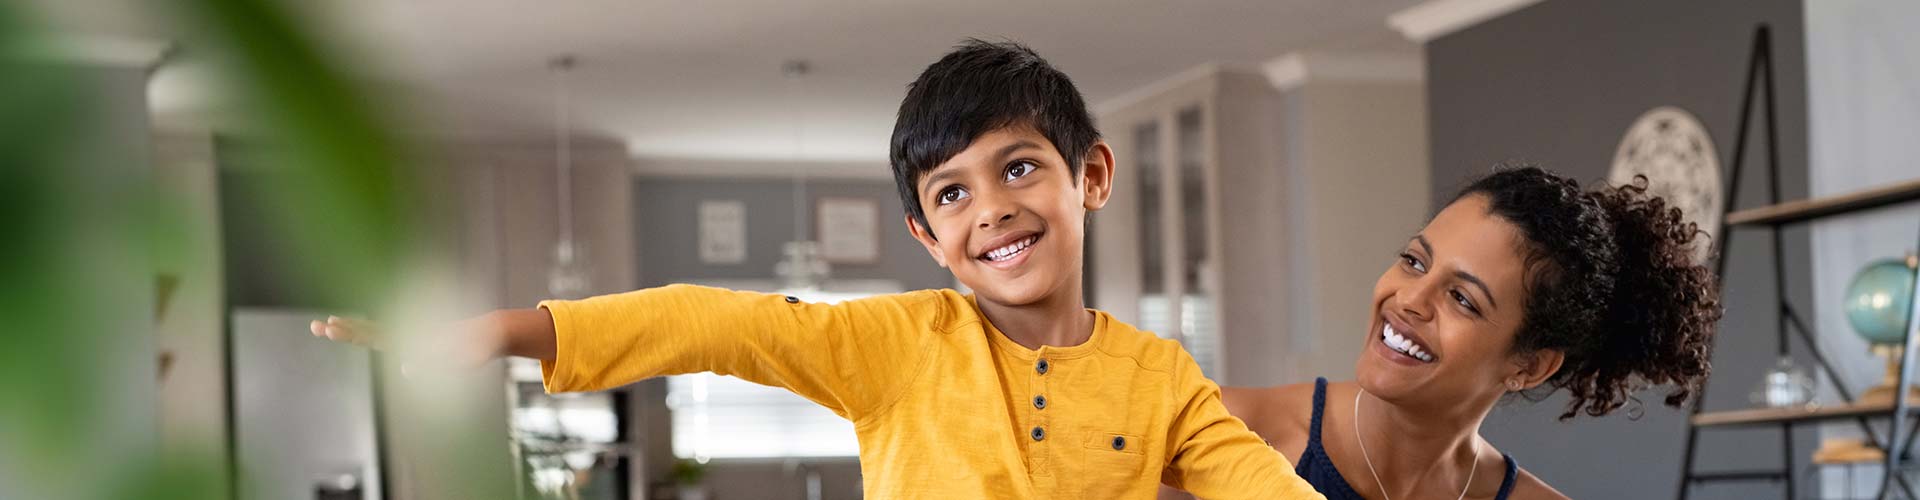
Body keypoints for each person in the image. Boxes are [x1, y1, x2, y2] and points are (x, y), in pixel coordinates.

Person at [314, 39, 1325, 500]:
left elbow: (1261, 487)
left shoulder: (1163, 378)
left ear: (1091, 175)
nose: (994, 208)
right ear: (927, 239)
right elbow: (709, 321)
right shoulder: (894, 343)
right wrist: (503, 331)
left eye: (1020, 167)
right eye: (953, 193)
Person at [1199, 166, 1719, 500]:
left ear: (1529, 366)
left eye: (1462, 299)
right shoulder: (1213, 429)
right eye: (1413, 261)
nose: (1410, 300)